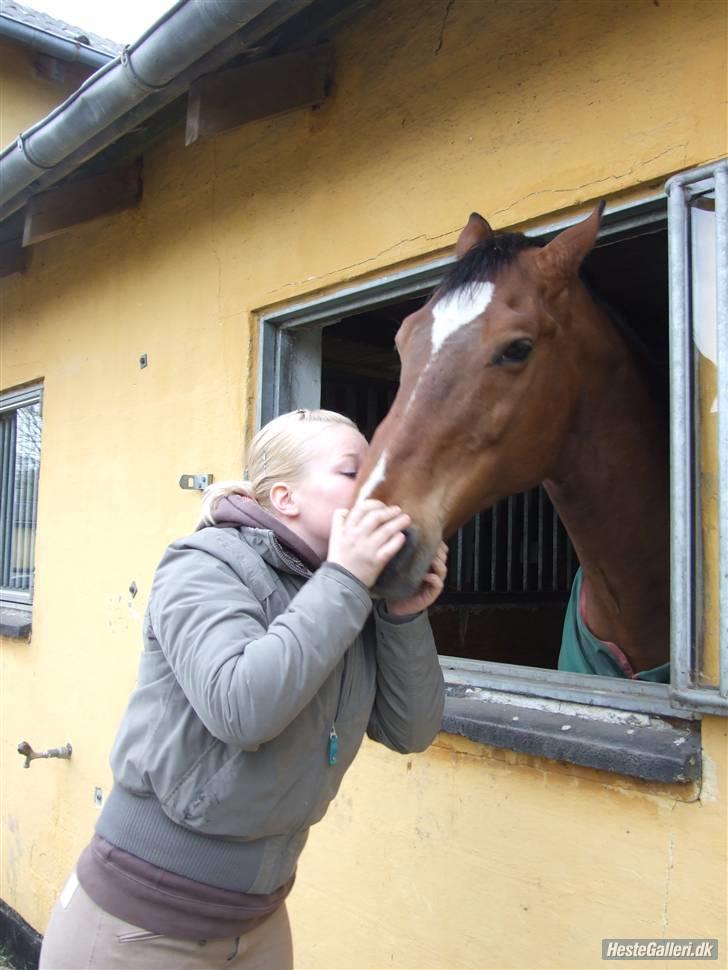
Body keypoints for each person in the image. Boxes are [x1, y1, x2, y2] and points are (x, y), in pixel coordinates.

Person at [39, 408, 447, 970]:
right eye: (354, 472)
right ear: (285, 499)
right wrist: (347, 580)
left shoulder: (346, 592)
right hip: (139, 927)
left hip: (258, 922)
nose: (378, 489)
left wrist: (403, 613)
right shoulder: (204, 565)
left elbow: (412, 730)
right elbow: (241, 709)